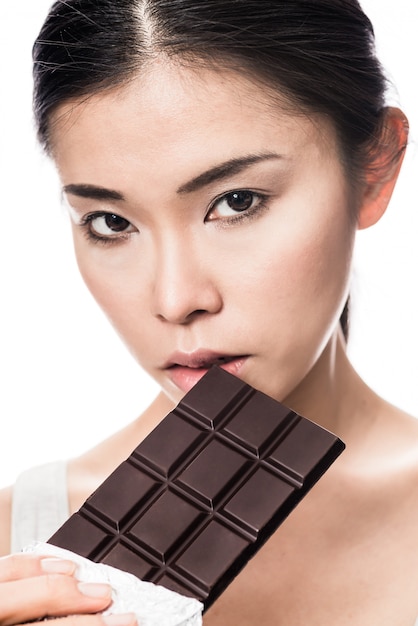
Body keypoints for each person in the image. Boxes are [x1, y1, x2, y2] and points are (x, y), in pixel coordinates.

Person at [0, 0, 416, 624]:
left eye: (237, 201)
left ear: (375, 167)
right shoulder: (15, 543)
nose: (175, 299)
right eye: (111, 222)